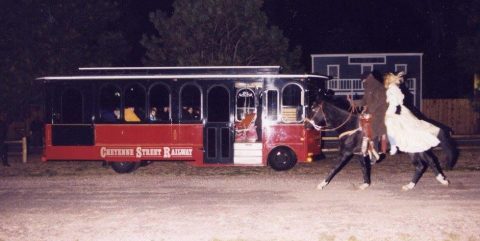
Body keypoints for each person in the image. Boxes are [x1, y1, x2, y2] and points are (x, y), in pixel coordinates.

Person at [384, 72, 440, 154]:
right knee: (405, 128)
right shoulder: (394, 88)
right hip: (399, 109)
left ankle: (393, 146)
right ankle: (395, 145)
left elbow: (394, 102)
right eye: (395, 78)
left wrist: (390, 114)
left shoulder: (392, 88)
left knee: (391, 128)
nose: (398, 79)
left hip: (394, 110)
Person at [355, 72, 388, 155]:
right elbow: (364, 100)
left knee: (373, 132)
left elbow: (380, 102)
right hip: (371, 113)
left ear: (368, 78)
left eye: (363, 81)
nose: (363, 83)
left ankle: (374, 153)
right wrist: (355, 103)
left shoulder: (378, 87)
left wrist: (370, 111)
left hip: (378, 114)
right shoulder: (368, 87)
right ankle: (366, 150)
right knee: (366, 131)